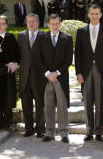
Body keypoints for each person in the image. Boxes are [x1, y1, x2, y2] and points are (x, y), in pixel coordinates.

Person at [75, 4, 103, 142]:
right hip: (85, 71)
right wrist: (78, 72)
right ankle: (89, 130)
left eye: (96, 13)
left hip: (101, 70)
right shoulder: (81, 31)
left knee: (99, 101)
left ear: (100, 15)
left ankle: (98, 131)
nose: (94, 16)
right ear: (88, 15)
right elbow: (78, 54)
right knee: (87, 101)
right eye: (92, 13)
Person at [33, 14, 73, 143]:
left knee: (62, 105)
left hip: (60, 77)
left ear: (60, 24)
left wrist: (57, 72)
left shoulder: (67, 38)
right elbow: (37, 58)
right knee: (48, 105)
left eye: (57, 23)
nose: (55, 26)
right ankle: (49, 132)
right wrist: (47, 73)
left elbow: (68, 60)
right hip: (46, 78)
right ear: (48, 24)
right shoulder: (41, 38)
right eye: (52, 24)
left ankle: (64, 132)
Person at [18, 13, 45, 138]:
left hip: (39, 77)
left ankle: (40, 129)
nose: (31, 24)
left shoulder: (44, 36)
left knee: (40, 103)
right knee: (26, 103)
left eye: (33, 21)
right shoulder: (21, 36)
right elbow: (18, 55)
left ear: (38, 23)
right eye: (29, 21)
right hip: (25, 76)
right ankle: (28, 129)